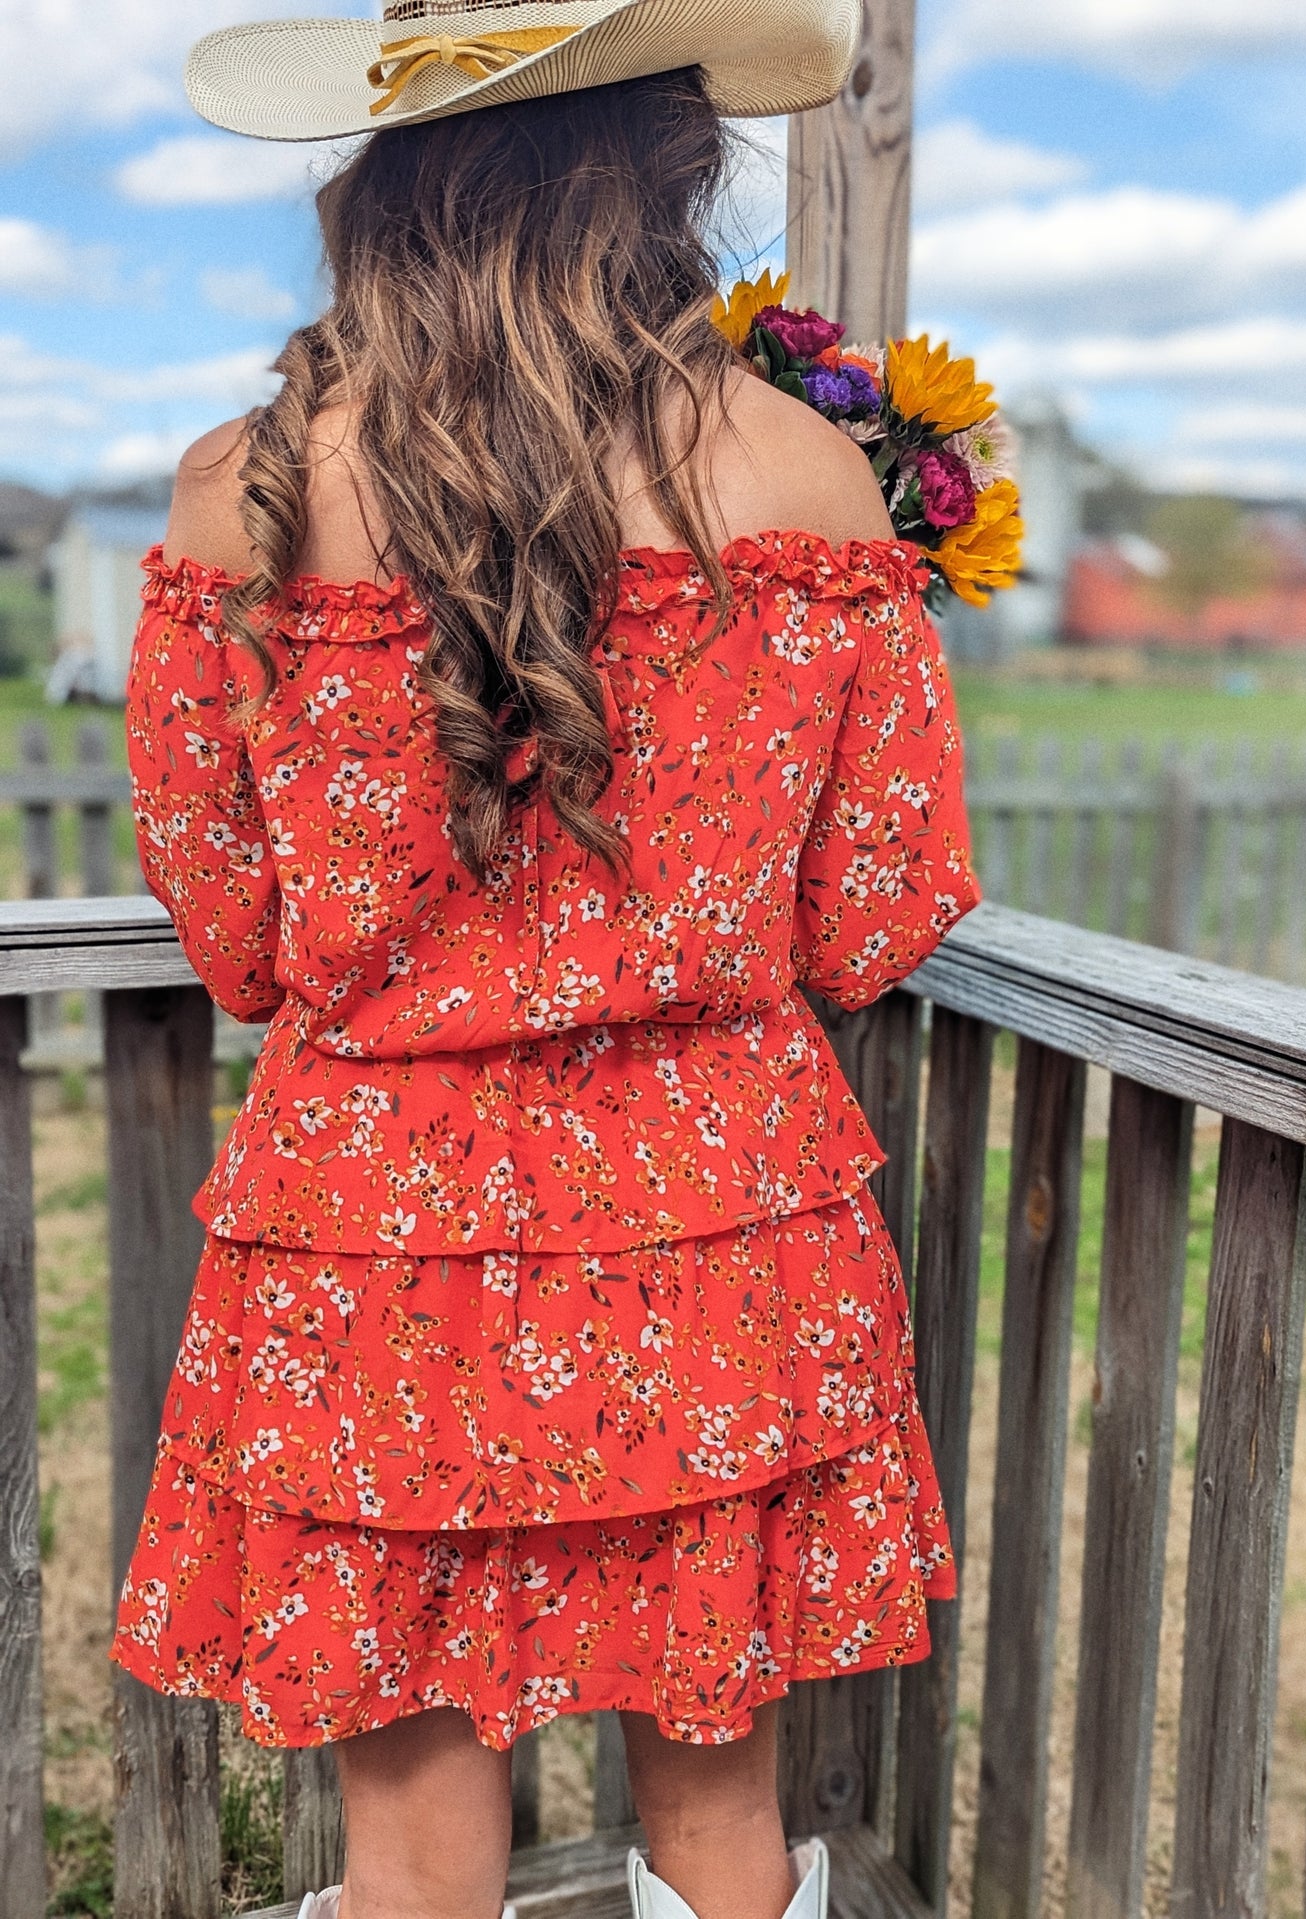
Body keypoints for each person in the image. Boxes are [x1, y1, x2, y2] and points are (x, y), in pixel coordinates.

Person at [110, 6, 982, 1917]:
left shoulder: (237, 495)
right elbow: (875, 910)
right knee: (720, 1821)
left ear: (384, 176)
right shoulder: (810, 484)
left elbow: (242, 946)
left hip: (370, 1249)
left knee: (412, 1844)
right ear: (672, 173)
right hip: (718, 1231)